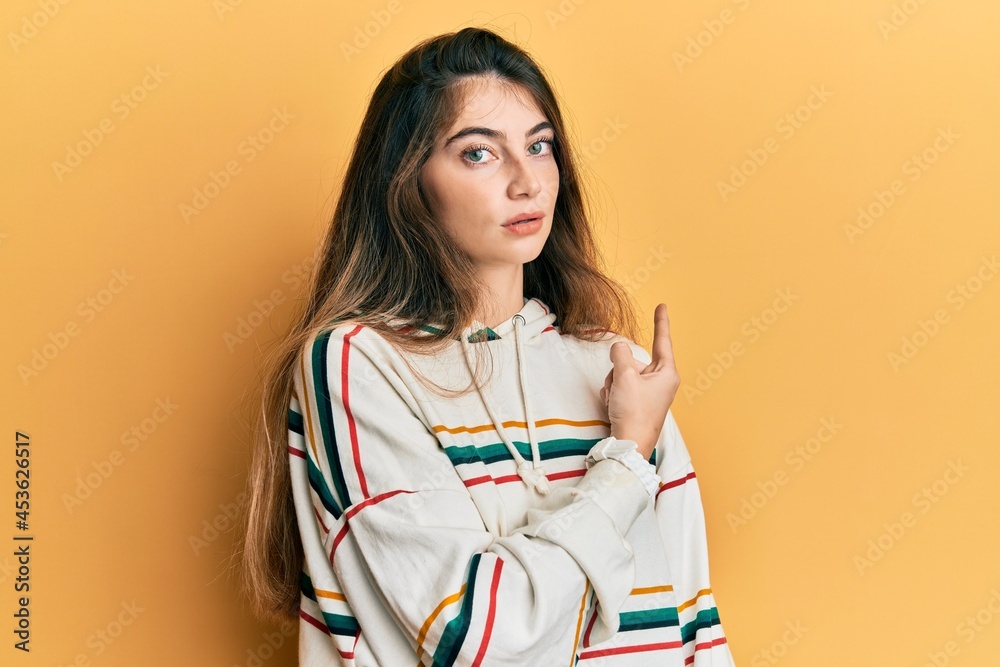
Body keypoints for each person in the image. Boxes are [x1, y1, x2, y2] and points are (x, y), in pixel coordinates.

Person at [238, 26, 736, 666]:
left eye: (540, 145)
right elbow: (478, 640)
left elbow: (692, 629)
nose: (527, 182)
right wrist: (626, 460)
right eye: (479, 153)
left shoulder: (618, 372)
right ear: (407, 182)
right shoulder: (357, 362)